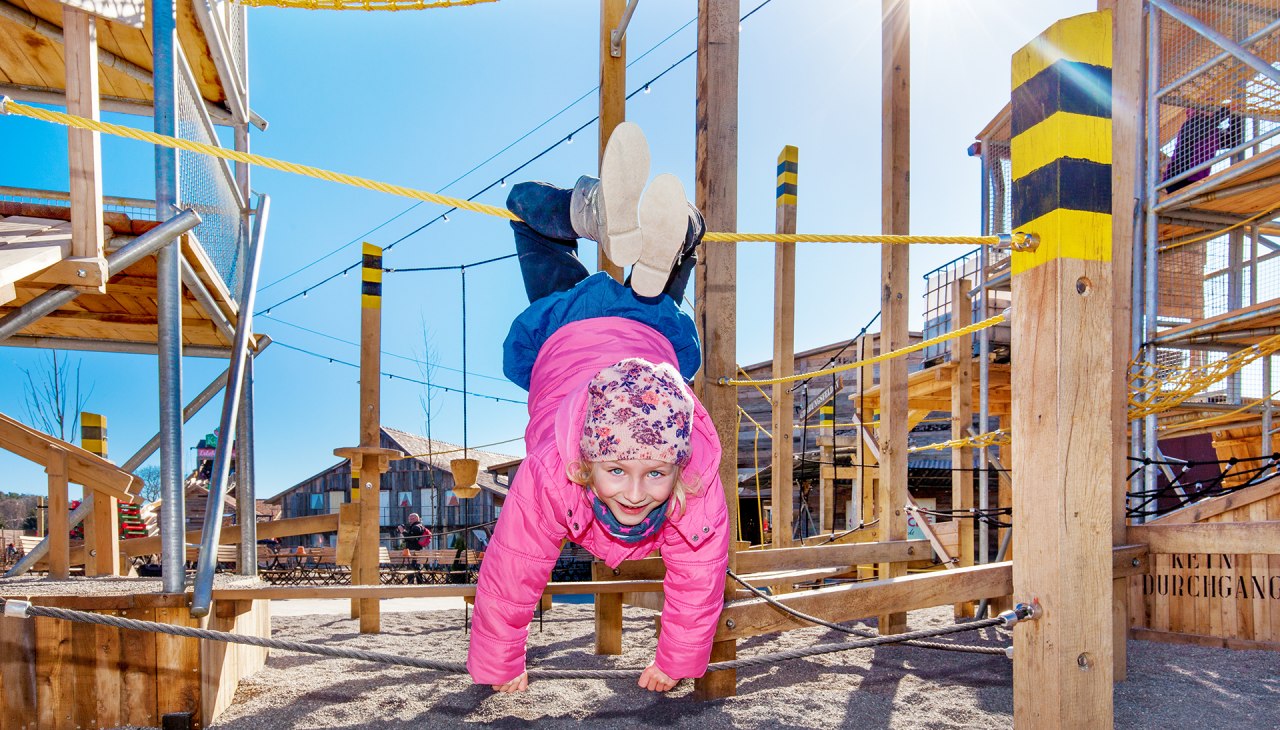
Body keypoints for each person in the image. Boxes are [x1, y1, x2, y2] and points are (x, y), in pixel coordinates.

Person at [466, 122, 728, 695]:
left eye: (654, 474)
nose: (635, 492)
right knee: (523, 207)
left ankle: (661, 233)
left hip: (639, 337)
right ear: (586, 462)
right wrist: (676, 661)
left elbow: (516, 570)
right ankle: (617, 223)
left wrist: (500, 662)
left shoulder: (681, 474)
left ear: (675, 467)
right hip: (592, 340)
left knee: (680, 247)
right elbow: (513, 568)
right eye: (619, 472)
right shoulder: (563, 473)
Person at [1163, 105, 1244, 193]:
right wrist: (1227, 111)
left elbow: (1233, 141)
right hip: (1178, 179)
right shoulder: (1190, 124)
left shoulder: (1212, 132)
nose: (1207, 111)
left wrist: (1235, 117)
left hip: (1195, 180)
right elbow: (1205, 125)